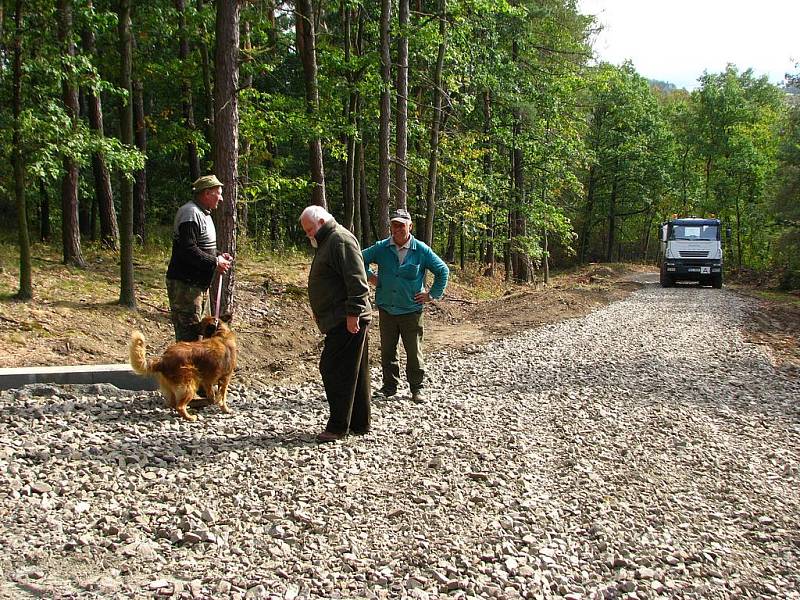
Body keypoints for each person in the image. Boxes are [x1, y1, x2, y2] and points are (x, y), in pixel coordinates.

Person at [300, 205, 372, 442]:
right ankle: (359, 423)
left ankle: (338, 426)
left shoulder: (339, 239)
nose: (309, 234)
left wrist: (354, 314)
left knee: (334, 369)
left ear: (321, 221)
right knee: (354, 371)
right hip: (339, 317)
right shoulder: (328, 240)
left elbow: (357, 281)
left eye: (310, 229)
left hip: (347, 318)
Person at [362, 208, 449, 404]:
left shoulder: (421, 249)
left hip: (411, 310)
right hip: (387, 308)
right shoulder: (382, 248)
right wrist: (372, 278)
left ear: (410, 226)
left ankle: (417, 388)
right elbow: (359, 258)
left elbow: (442, 270)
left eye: (401, 225)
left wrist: (432, 295)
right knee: (388, 350)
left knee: (413, 350)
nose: (397, 229)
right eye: (394, 225)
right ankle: (389, 387)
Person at [165, 174, 233, 342]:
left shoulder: (204, 214)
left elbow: (200, 247)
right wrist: (215, 262)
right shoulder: (190, 213)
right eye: (218, 193)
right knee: (189, 340)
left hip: (198, 287)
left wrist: (217, 255)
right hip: (186, 287)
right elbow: (188, 250)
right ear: (207, 193)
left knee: (199, 339)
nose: (221, 198)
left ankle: (195, 368)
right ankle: (183, 369)